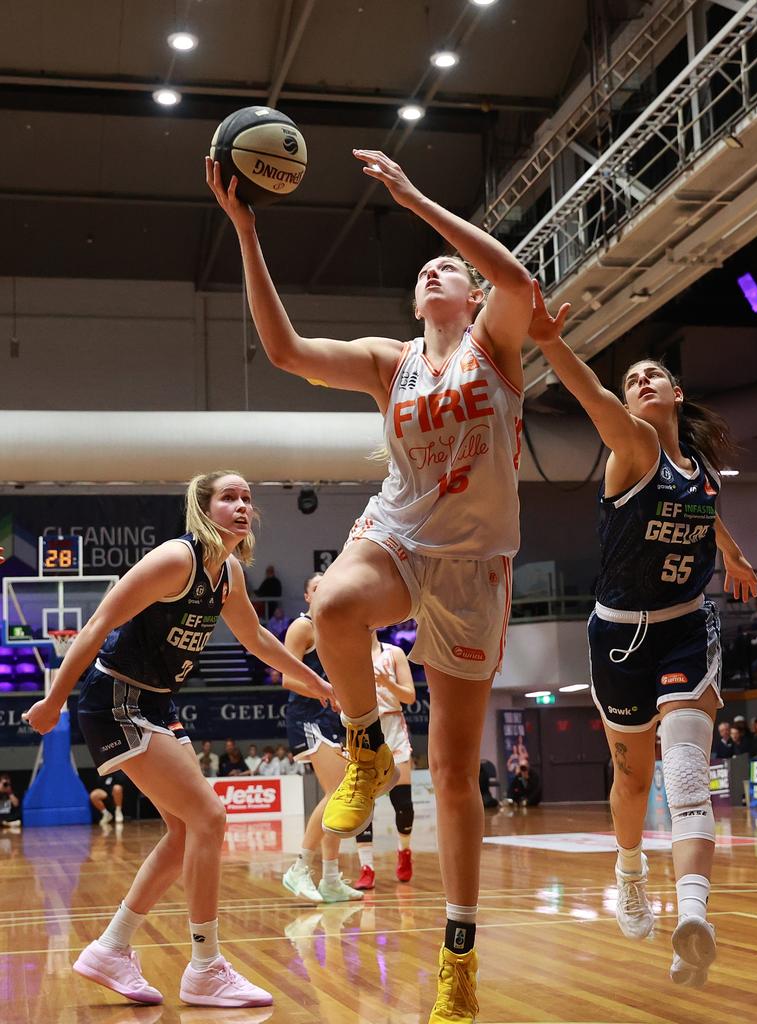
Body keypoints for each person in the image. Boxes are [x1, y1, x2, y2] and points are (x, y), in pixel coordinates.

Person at [208, 144, 533, 1023]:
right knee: (334, 600)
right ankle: (363, 744)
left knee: (455, 775)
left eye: (448, 271)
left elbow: (516, 278)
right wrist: (246, 228)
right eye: (424, 271)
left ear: (469, 297)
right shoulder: (392, 363)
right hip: (397, 535)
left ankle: (457, 954)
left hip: (472, 569)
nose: (434, 273)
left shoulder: (499, 346)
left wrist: (417, 200)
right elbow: (282, 349)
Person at [22, 470, 333, 1009]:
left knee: (187, 831)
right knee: (210, 818)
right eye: (228, 498)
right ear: (203, 508)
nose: (241, 506)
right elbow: (97, 623)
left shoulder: (228, 573)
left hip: (157, 702)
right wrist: (53, 702)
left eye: (246, 499)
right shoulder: (175, 559)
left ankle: (111, 948)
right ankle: (206, 965)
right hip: (116, 697)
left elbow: (257, 639)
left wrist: (315, 681)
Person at [528, 285, 757, 988]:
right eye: (633, 380)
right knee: (632, 782)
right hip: (620, 638)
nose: (641, 381)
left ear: (676, 390)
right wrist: (546, 340)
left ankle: (694, 916)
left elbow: (708, 510)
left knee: (687, 772)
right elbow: (591, 390)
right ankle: (629, 868)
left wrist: (736, 554)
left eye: (652, 373)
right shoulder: (629, 445)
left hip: (688, 627)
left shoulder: (702, 473)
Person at [281, 573, 363, 905]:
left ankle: (330, 878)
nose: (323, 591)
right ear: (306, 596)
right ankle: (300, 867)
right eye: (316, 587)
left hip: (332, 716)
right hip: (307, 715)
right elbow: (287, 678)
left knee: (343, 796)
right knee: (338, 790)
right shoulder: (302, 627)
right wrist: (327, 692)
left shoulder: (335, 627)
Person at [354, 630, 417, 889]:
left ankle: (404, 852)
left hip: (393, 726)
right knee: (362, 805)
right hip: (364, 730)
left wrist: (386, 682)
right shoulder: (350, 656)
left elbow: (410, 696)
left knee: (402, 802)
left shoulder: (394, 653)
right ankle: (366, 867)